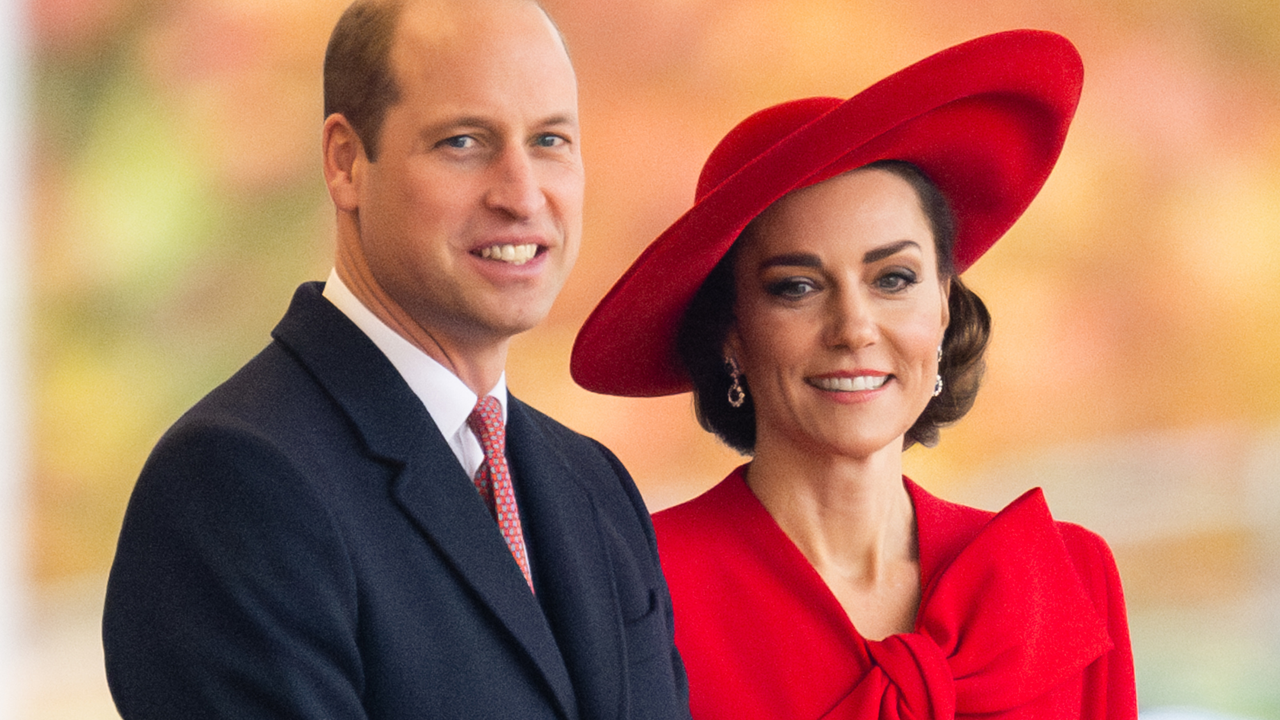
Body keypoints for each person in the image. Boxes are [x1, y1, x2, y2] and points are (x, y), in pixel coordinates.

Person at [102, 1, 690, 717]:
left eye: (549, 141)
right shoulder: (236, 483)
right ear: (345, 162)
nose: (522, 193)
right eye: (464, 142)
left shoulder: (594, 488)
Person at [571, 30, 1136, 719]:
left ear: (944, 307)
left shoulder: (1064, 580)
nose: (855, 328)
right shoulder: (629, 591)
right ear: (731, 333)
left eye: (893, 278)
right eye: (797, 287)